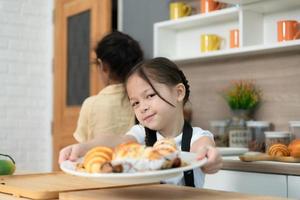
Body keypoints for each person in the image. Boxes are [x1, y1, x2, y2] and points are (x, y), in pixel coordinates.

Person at [59, 57, 222, 188]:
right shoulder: (140, 134)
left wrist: (209, 157)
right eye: (135, 103)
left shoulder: (197, 136)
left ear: (178, 93)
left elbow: (203, 148)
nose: (142, 107)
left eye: (150, 95)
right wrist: (83, 147)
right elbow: (115, 141)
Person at [59, 31, 144, 162]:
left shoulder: (91, 104)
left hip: (98, 171)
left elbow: (77, 151)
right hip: (136, 171)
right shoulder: (142, 102)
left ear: (102, 65)